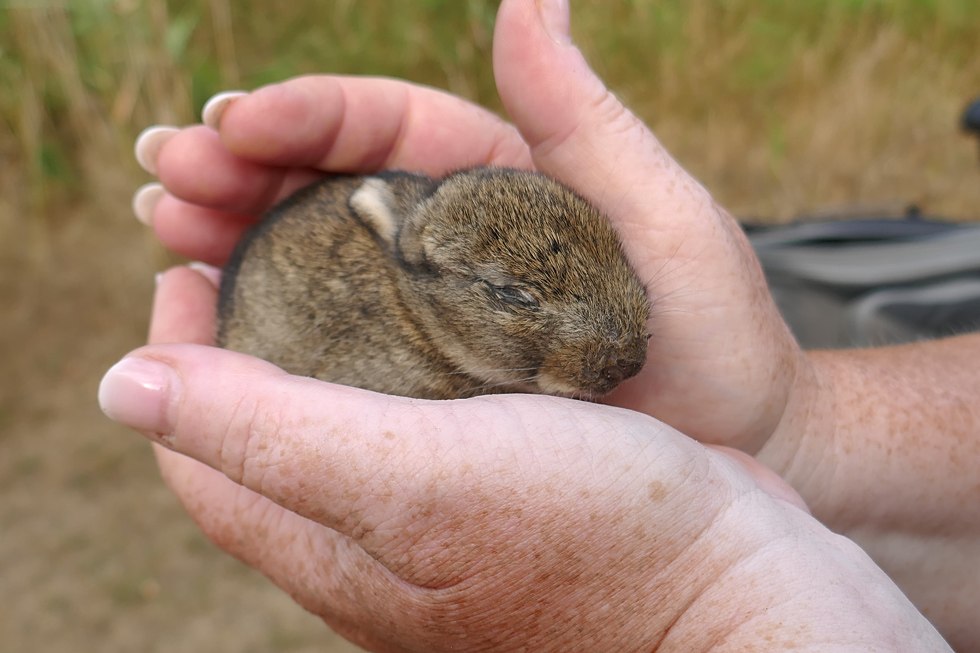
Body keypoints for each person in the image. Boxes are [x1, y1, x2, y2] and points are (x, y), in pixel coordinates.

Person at [99, 0, 977, 650]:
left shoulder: (518, 302)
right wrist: (778, 457)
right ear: (428, 274)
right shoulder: (395, 344)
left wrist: (715, 580)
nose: (624, 350)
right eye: (520, 301)